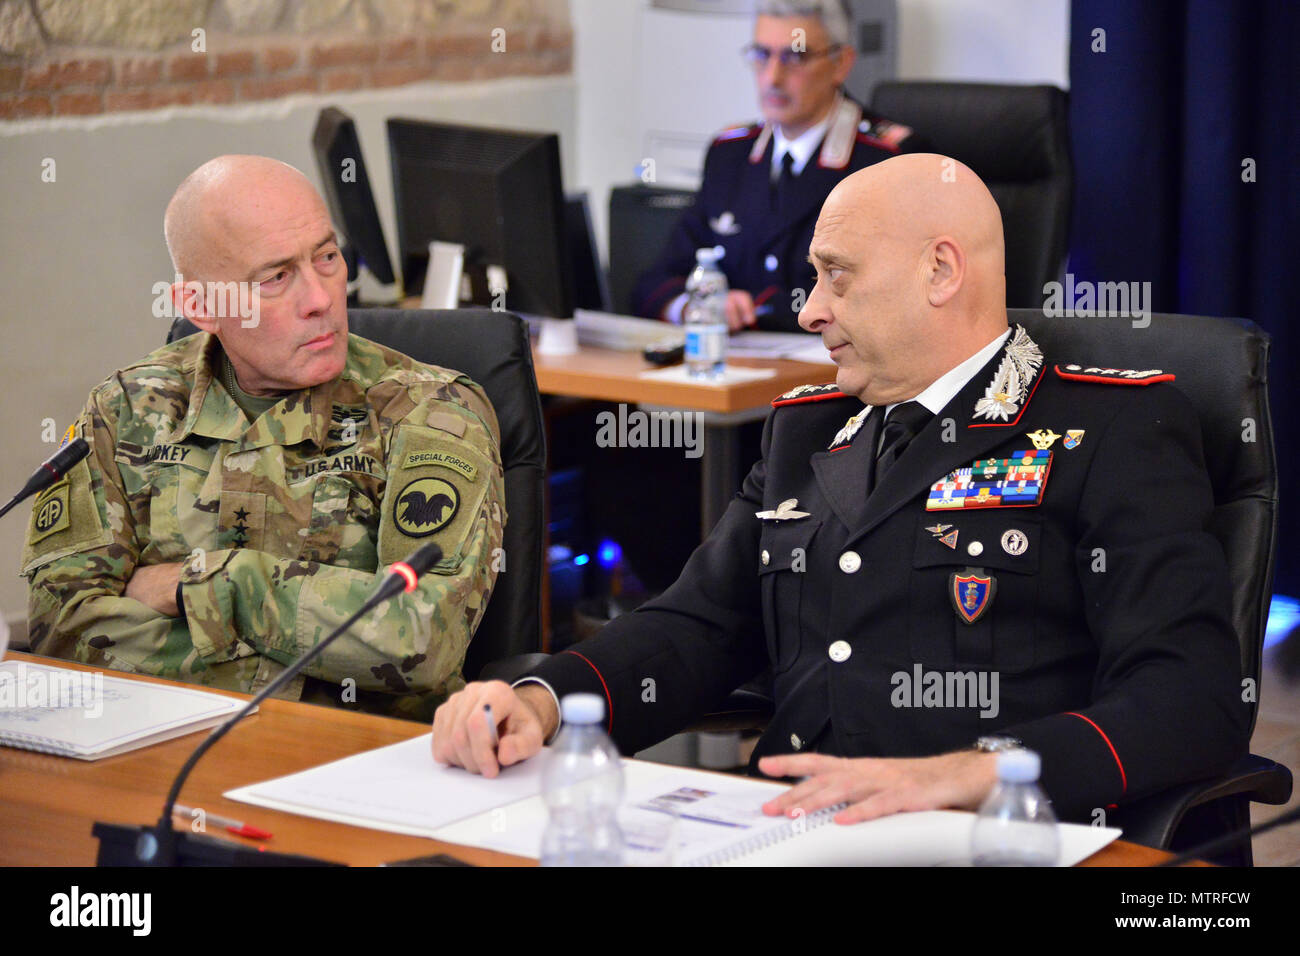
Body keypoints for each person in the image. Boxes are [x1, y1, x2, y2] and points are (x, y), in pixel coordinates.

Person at [432, 153, 1248, 826]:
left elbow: (1188, 697)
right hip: (787, 831)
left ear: (940, 271)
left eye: (837, 276)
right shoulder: (809, 429)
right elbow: (699, 624)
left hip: (983, 839)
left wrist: (970, 776)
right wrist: (543, 699)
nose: (814, 309)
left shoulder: (1110, 428)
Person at [21, 155, 506, 722]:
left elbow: (422, 639)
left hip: (359, 760)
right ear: (200, 307)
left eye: (327, 257)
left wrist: (208, 584)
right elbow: (59, 627)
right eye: (276, 277)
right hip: (155, 746)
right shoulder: (126, 408)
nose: (322, 298)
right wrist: (302, 663)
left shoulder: (430, 413)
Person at [633, 0, 925, 332]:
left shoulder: (885, 160)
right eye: (761, 55)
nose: (772, 77)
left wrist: (759, 310)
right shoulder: (730, 154)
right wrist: (694, 307)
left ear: (841, 64)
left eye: (795, 57)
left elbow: (894, 302)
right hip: (736, 370)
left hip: (833, 375)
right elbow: (655, 282)